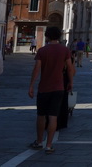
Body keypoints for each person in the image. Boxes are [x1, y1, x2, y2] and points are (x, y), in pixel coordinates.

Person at [28, 26, 74, 155]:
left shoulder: (42, 51)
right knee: (53, 116)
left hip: (44, 87)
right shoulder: (65, 50)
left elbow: (36, 69)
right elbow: (70, 68)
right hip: (59, 87)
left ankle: (38, 141)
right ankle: (49, 145)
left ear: (47, 36)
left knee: (41, 115)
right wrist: (70, 82)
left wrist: (31, 85)